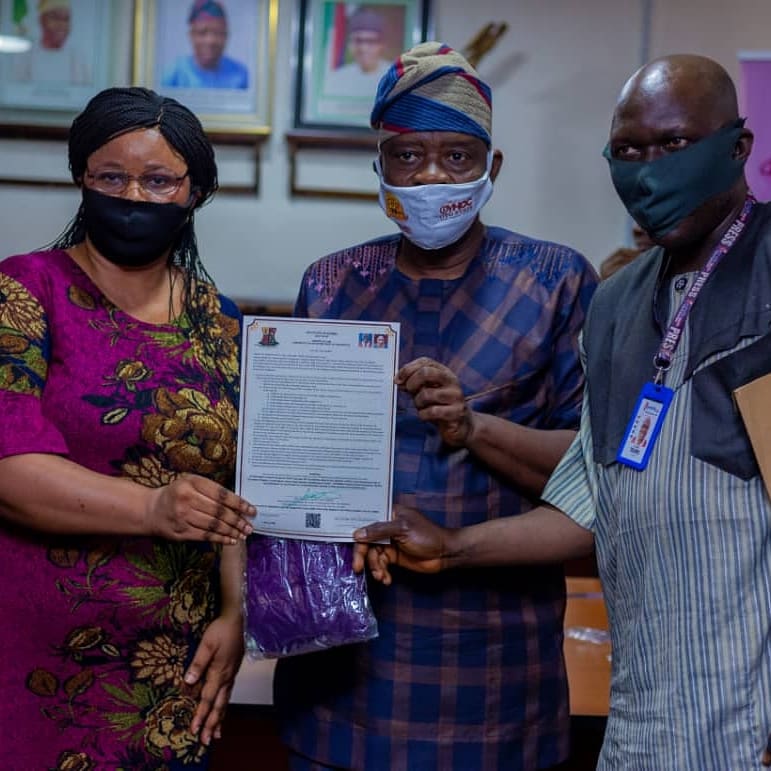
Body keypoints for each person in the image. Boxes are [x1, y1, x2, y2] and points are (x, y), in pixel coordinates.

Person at [353, 54, 771, 770]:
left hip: (752, 724)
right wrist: (451, 543)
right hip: (645, 721)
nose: (649, 168)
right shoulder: (615, 304)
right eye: (629, 150)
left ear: (737, 147)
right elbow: (588, 504)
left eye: (673, 145)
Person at [275, 42, 599, 771]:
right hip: (342, 664)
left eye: (456, 157)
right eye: (407, 157)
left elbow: (594, 478)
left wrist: (470, 426)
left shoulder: (555, 283)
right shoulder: (330, 285)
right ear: (379, 169)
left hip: (493, 673)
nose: (430, 177)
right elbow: (295, 465)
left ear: (493, 166)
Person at [0, 86, 256, 769]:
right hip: (35, 653)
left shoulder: (220, 322)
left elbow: (239, 484)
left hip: (171, 662)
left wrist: (235, 612)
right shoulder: (25, 292)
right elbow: (9, 467)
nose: (133, 195)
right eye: (111, 176)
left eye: (158, 179)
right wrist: (151, 506)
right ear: (81, 179)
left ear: (194, 191)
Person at [162, 0, 248, 90]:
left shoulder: (240, 76)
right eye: (202, 33)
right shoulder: (174, 74)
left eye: (218, 33)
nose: (210, 41)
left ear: (226, 36)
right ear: (191, 35)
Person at [11, 0, 90, 85]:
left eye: (66, 19)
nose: (61, 25)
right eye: (55, 18)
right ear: (42, 20)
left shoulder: (76, 56)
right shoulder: (26, 55)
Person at [324, 7, 393, 98]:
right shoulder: (337, 78)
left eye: (371, 41)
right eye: (358, 40)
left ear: (382, 44)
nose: (363, 48)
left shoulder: (395, 77)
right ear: (349, 44)